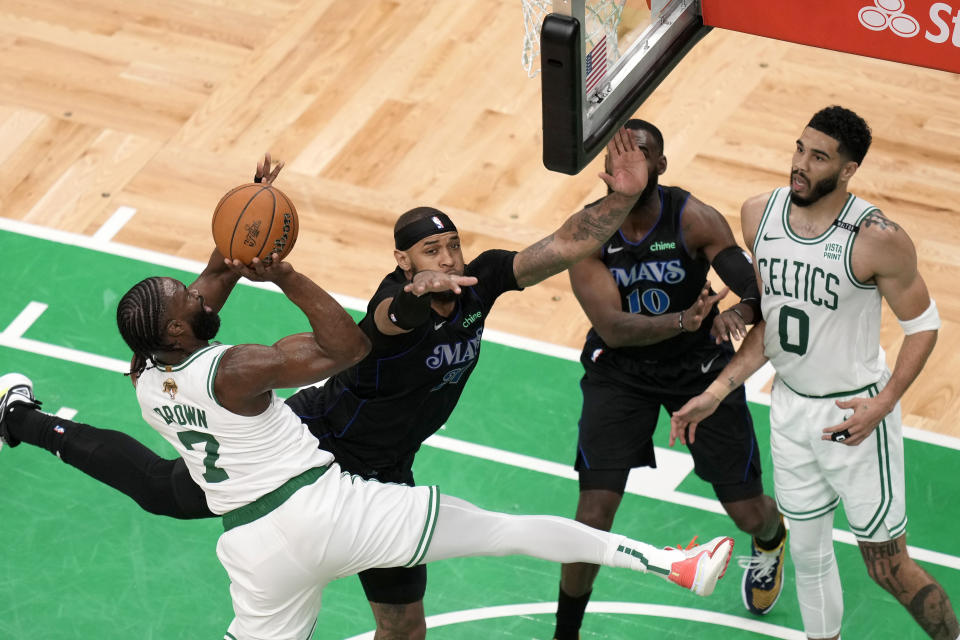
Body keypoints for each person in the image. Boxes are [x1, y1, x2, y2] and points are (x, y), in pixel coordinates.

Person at [0, 129, 714, 638]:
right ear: (402, 261)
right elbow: (368, 329)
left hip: (372, 474)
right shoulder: (390, 302)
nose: (447, 256)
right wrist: (288, 271)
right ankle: (25, 420)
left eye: (450, 243)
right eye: (429, 250)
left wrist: (628, 193)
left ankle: (20, 418)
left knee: (403, 627)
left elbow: (570, 241)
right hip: (316, 453)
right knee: (166, 491)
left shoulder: (481, 281)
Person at [670, 105, 959, 640]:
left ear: (848, 170)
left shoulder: (878, 238)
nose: (800, 164)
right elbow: (774, 323)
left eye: (819, 156)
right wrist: (717, 390)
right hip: (790, 410)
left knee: (888, 567)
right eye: (799, 148)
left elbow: (924, 326)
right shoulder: (759, 214)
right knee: (808, 554)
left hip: (856, 413)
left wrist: (886, 401)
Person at [551, 119, 786, 640]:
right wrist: (685, 320)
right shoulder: (587, 231)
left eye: (642, 154)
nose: (629, 163)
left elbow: (753, 287)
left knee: (748, 513)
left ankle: (772, 539)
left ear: (660, 165)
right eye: (618, 157)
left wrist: (741, 309)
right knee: (591, 516)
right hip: (621, 374)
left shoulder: (694, 219)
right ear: (607, 170)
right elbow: (613, 328)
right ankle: (565, 634)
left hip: (698, 372)